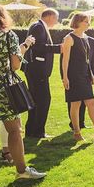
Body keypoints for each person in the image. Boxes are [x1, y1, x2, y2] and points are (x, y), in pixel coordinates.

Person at [0, 2, 46, 182]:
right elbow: (15, 65)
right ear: (1, 16)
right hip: (3, 90)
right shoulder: (8, 36)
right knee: (14, 130)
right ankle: (22, 171)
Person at [60, 13, 94, 142]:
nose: (88, 24)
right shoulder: (69, 38)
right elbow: (65, 60)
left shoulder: (87, 38)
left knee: (91, 102)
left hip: (85, 75)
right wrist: (65, 77)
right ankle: (76, 132)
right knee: (75, 104)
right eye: (86, 21)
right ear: (79, 22)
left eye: (88, 21)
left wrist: (92, 74)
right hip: (73, 76)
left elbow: (88, 59)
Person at [24, 8, 62, 139]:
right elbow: (38, 47)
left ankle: (31, 131)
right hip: (37, 71)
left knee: (36, 100)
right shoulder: (38, 27)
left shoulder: (39, 26)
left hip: (36, 70)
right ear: (50, 16)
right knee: (43, 100)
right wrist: (59, 48)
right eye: (56, 18)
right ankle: (38, 131)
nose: (57, 21)